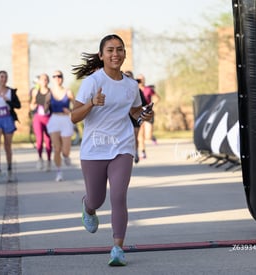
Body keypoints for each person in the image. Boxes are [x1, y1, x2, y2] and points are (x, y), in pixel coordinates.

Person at [71, 34, 154, 266]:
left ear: (124, 54)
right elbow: (74, 116)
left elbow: (136, 112)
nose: (115, 54)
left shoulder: (131, 85)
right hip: (94, 149)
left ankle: (117, 248)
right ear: (101, 55)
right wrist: (91, 103)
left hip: (122, 146)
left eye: (119, 49)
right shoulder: (92, 82)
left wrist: (146, 115)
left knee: (118, 196)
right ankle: (88, 207)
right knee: (97, 199)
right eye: (110, 50)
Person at [46, 70, 75, 182]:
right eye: (54, 76)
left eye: (59, 76)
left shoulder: (68, 92)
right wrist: (46, 104)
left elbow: (77, 106)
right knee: (57, 148)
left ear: (62, 78)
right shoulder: (49, 93)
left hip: (65, 120)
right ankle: (59, 173)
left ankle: (66, 156)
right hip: (54, 120)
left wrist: (70, 111)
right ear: (52, 79)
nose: (57, 78)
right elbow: (44, 109)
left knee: (65, 151)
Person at [29, 73, 52, 171]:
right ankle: (39, 159)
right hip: (38, 117)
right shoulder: (35, 91)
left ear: (48, 81)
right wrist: (33, 105)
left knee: (48, 140)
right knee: (39, 139)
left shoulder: (51, 92)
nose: (44, 81)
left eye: (46, 79)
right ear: (39, 81)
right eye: (42, 79)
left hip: (49, 117)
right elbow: (32, 105)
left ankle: (49, 161)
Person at [124, 71, 147, 164]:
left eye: (130, 77)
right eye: (126, 77)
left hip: (134, 115)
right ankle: (126, 153)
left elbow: (144, 103)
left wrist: (146, 111)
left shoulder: (137, 89)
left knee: (134, 136)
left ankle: (136, 152)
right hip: (124, 116)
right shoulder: (119, 89)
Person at [136, 74, 160, 159]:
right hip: (138, 113)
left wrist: (151, 105)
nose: (141, 80)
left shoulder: (148, 89)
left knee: (148, 136)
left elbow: (157, 98)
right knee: (140, 134)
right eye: (139, 79)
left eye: (142, 79)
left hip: (148, 112)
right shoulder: (134, 89)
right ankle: (143, 152)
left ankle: (152, 137)